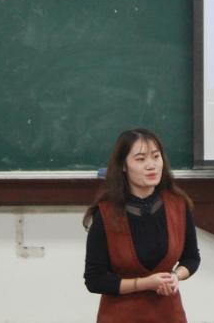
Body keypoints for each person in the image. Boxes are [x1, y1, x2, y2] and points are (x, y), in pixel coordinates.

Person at [83, 128, 200, 323]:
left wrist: (175, 276)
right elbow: (95, 280)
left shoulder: (178, 205)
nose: (151, 165)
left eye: (156, 156)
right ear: (123, 166)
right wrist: (145, 284)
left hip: (168, 315)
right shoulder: (106, 213)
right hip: (120, 316)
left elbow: (191, 258)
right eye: (140, 159)